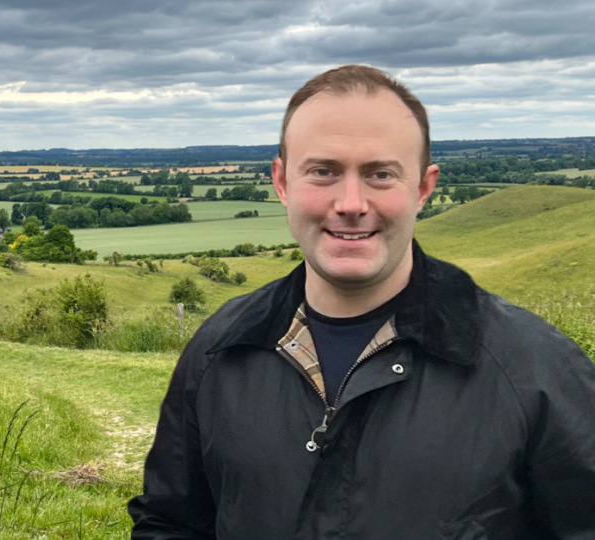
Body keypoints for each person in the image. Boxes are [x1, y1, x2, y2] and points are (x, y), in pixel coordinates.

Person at [128, 65, 595, 539]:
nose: (351, 202)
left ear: (423, 188)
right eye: (324, 171)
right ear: (282, 181)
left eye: (380, 174)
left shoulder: (534, 367)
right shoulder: (219, 350)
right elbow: (171, 523)